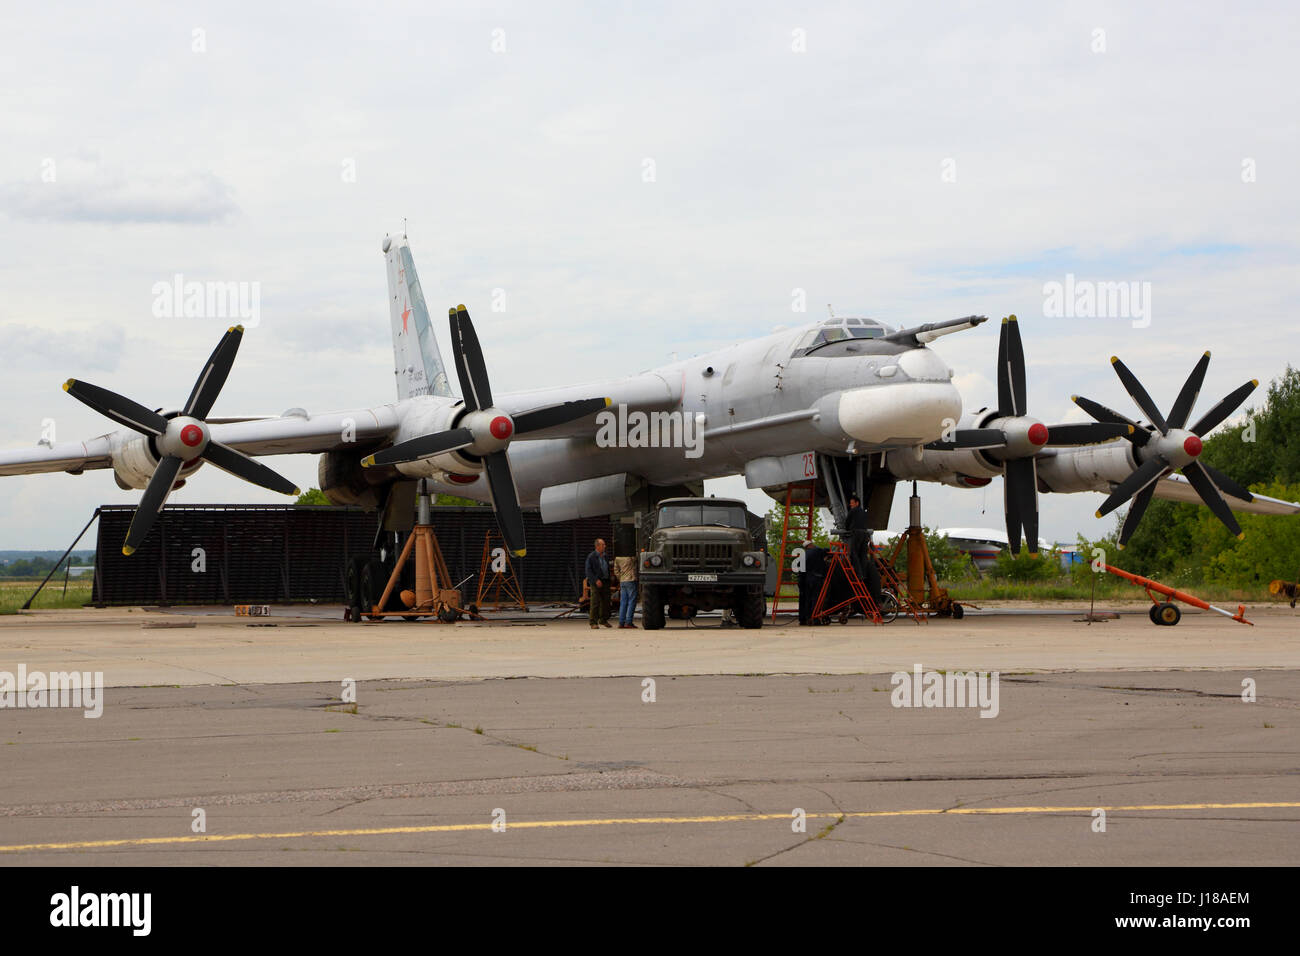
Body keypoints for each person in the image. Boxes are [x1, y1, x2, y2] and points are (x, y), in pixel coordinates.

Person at [845, 492, 883, 610]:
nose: (850, 505)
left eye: (852, 503)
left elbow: (847, 523)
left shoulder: (853, 511)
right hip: (865, 534)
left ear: (856, 503)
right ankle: (864, 573)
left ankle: (859, 574)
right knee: (863, 555)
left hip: (856, 533)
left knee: (854, 553)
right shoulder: (864, 512)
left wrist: (847, 529)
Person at [584, 538, 613, 628]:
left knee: (606, 602)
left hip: (605, 581)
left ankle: (603, 620)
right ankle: (593, 622)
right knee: (595, 602)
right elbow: (588, 571)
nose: (605, 546)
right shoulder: (591, 556)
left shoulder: (605, 556)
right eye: (603, 544)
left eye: (604, 544)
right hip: (596, 582)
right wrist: (596, 580)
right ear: (597, 546)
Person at [797, 539, 827, 625]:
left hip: (806, 580)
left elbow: (799, 567)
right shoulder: (817, 550)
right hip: (816, 578)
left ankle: (806, 619)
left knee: (807, 599)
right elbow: (826, 550)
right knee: (816, 599)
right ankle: (815, 619)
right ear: (810, 545)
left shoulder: (803, 555)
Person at [614, 551, 638, 628]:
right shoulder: (631, 558)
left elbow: (616, 570)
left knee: (623, 602)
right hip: (630, 580)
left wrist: (620, 578)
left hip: (622, 581)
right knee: (632, 601)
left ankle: (621, 622)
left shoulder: (617, 558)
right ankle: (628, 622)